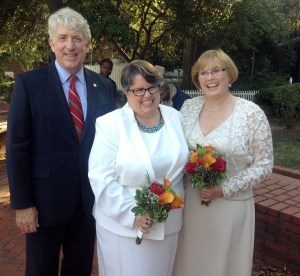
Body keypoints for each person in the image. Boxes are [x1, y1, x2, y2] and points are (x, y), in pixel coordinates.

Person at [6, 7, 115, 276]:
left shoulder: (104, 87)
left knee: (79, 270)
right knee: (40, 270)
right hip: (43, 205)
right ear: (51, 43)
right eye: (63, 38)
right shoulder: (29, 84)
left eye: (77, 38)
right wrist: (23, 205)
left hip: (89, 204)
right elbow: (17, 147)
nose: (70, 46)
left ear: (88, 45)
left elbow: (113, 143)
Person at [173, 49, 273, 276]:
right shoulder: (188, 108)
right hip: (192, 205)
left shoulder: (251, 114)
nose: (210, 78)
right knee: (190, 263)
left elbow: (265, 164)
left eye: (217, 70)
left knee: (223, 266)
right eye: (203, 73)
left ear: (229, 75)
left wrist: (224, 188)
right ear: (197, 80)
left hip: (231, 206)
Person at [88, 60, 189, 276]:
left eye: (152, 87)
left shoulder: (175, 118)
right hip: (124, 228)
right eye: (139, 89)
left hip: (168, 224)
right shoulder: (110, 124)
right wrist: (132, 213)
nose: (147, 95)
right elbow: (101, 178)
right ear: (126, 91)